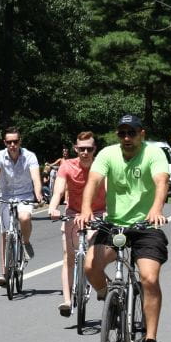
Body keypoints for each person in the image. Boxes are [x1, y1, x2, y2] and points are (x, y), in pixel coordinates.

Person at [75, 114, 169, 342]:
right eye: (122, 133)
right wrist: (85, 210)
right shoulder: (108, 154)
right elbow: (93, 181)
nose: (127, 138)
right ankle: (111, 301)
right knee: (89, 267)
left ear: (142, 134)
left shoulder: (153, 153)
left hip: (146, 225)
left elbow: (162, 181)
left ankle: (150, 340)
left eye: (132, 133)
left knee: (149, 278)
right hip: (115, 223)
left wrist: (157, 209)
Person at [49, 131, 107, 317]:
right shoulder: (67, 166)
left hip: (97, 213)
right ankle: (67, 301)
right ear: (76, 149)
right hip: (73, 213)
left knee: (93, 248)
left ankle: (99, 285)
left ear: (94, 149)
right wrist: (53, 208)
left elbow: (110, 190)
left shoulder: (102, 166)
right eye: (81, 149)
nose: (85, 152)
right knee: (69, 255)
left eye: (89, 149)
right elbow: (58, 191)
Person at [0, 127, 44, 287]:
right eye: (9, 142)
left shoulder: (29, 156)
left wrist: (38, 194)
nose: (12, 145)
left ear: (20, 141)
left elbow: (36, 178)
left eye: (15, 141)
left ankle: (26, 242)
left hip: (24, 195)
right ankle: (5, 274)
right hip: (5, 196)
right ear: (4, 142)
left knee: (24, 217)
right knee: (5, 235)